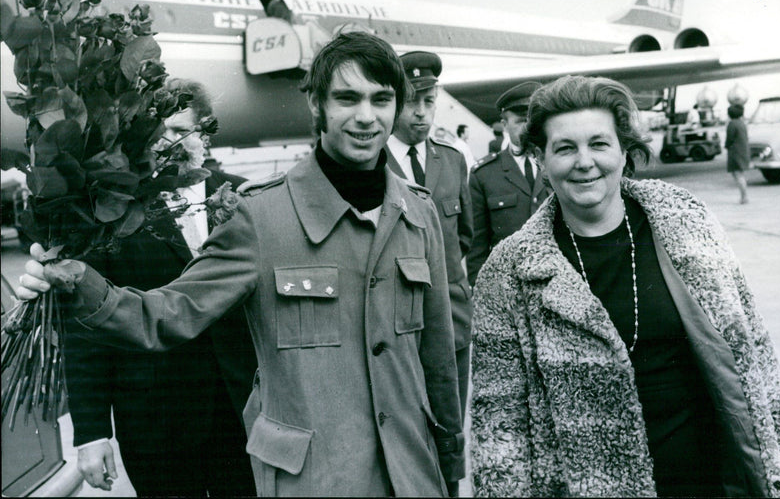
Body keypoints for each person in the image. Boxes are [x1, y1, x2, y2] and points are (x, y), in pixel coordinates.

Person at [20, 32, 464, 498]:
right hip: (313, 481)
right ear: (316, 106)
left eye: (381, 99)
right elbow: (165, 313)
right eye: (346, 98)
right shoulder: (259, 216)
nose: (366, 116)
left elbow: (438, 362)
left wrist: (448, 470)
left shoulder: (419, 213)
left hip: (411, 476)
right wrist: (78, 281)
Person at [470, 75, 780, 497]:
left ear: (624, 150)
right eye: (565, 148)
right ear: (540, 158)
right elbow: (498, 424)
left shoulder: (687, 221)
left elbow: (752, 343)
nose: (584, 161)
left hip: (712, 480)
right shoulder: (509, 271)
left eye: (599, 144)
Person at [64, 78, 257, 496]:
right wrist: (92, 432)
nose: (169, 143)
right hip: (154, 422)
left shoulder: (247, 198)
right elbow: (85, 331)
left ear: (204, 131)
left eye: (179, 130)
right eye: (158, 133)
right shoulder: (112, 212)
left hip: (242, 412)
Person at [385, 51, 473, 439]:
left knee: (449, 429)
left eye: (429, 101)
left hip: (451, 318)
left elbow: (464, 237)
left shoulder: (452, 161)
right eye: (410, 102)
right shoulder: (374, 162)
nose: (421, 113)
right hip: (396, 320)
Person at [466, 81, 549, 286]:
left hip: (556, 280)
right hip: (507, 286)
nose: (528, 127)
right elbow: (477, 246)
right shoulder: (484, 174)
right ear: (504, 125)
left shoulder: (558, 165)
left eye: (533, 120)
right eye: (521, 121)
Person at [725, 103, 750, 204]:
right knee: (740, 174)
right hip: (743, 151)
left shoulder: (732, 124)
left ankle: (744, 197)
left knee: (738, 175)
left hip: (735, 152)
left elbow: (729, 139)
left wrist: (727, 146)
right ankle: (744, 196)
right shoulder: (741, 123)